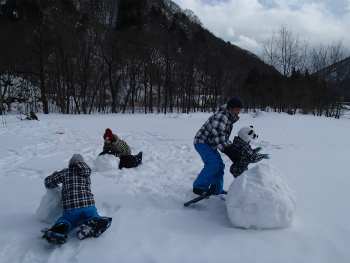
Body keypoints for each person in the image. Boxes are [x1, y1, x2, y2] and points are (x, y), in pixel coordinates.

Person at [41, 154, 112, 244]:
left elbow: (49, 182)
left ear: (70, 164)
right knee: (92, 215)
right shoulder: (86, 174)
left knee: (67, 219)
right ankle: (94, 222)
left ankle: (59, 229)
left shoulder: (65, 172)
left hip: (71, 207)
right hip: (88, 205)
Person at [192, 96, 243, 196]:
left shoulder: (228, 118)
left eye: (240, 110)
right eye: (237, 109)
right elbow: (218, 136)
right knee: (213, 164)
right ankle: (198, 187)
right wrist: (228, 150)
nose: (238, 112)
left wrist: (232, 148)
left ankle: (217, 189)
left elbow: (223, 138)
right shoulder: (222, 116)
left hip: (211, 144)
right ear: (230, 108)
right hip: (202, 142)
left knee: (220, 166)